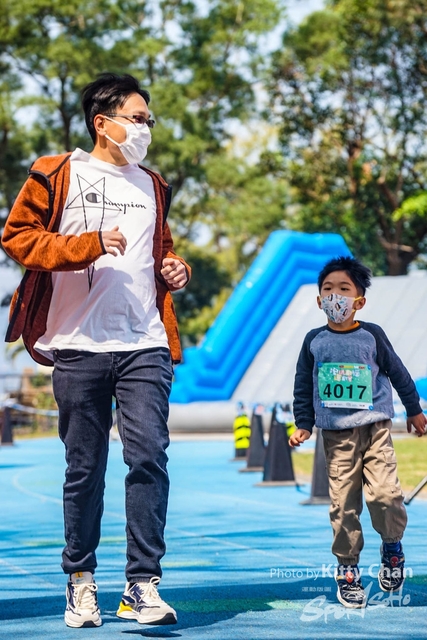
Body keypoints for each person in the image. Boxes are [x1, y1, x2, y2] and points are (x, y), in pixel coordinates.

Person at [2, 73, 191, 628]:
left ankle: (142, 585)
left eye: (149, 120)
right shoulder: (56, 172)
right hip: (78, 344)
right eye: (137, 118)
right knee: (84, 468)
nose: (146, 129)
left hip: (144, 341)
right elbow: (17, 237)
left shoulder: (153, 185)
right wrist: (88, 245)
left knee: (149, 457)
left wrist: (174, 269)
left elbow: (161, 251)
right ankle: (81, 581)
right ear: (102, 123)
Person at [289, 256, 426, 609]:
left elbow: (398, 372)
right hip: (337, 436)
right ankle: (347, 569)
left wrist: (414, 409)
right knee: (344, 505)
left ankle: (392, 547)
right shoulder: (314, 340)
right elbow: (303, 385)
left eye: (343, 289)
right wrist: (303, 424)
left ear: (359, 301)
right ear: (319, 300)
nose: (335, 296)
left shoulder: (372, 335)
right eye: (328, 289)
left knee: (385, 495)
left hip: (375, 428)